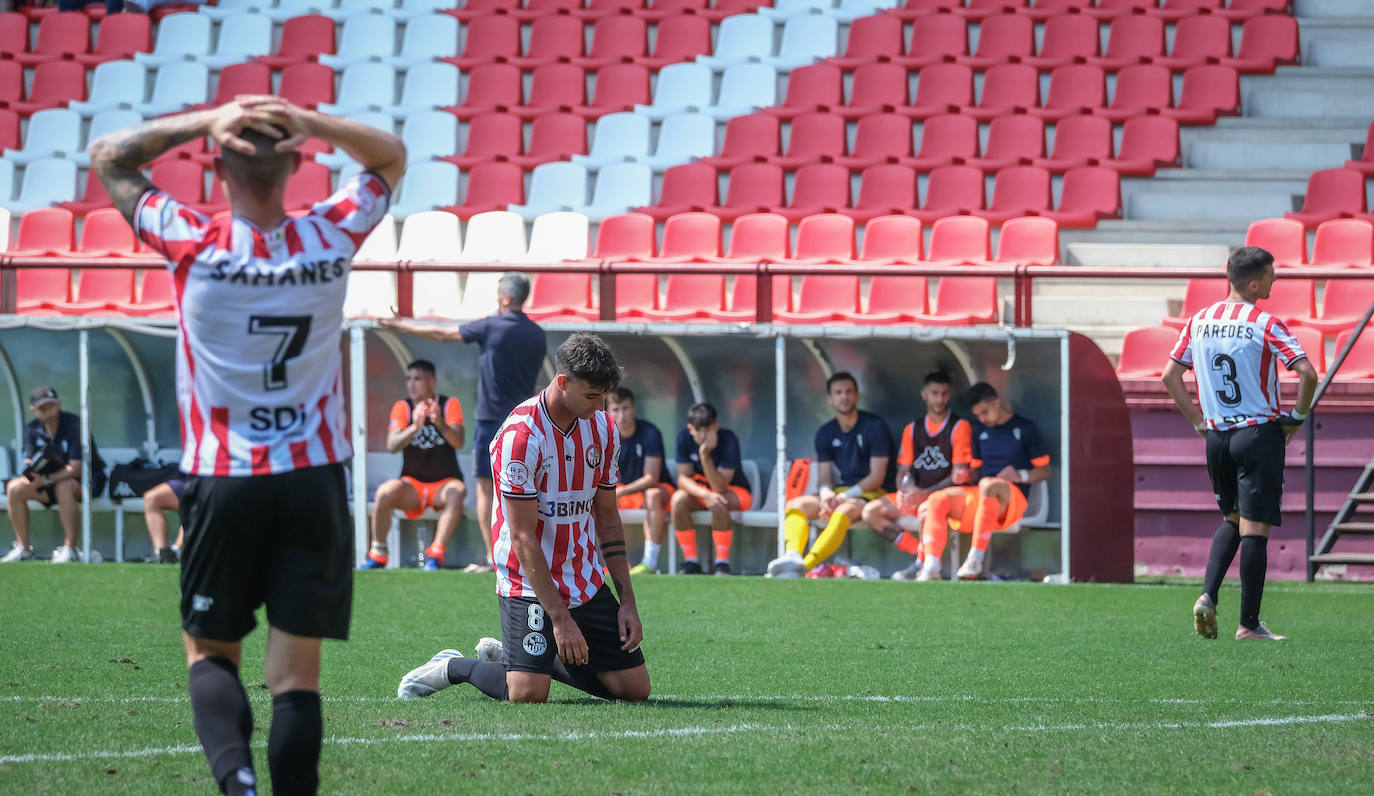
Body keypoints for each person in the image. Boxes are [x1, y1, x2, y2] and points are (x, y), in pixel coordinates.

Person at [90, 95, 403, 794]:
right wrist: (315, 121)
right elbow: (390, 158)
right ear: (295, 161)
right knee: (296, 677)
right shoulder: (330, 237)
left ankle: (238, 784)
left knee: (210, 654)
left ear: (218, 163)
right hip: (314, 479)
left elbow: (109, 155)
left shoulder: (192, 240)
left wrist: (206, 119)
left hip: (225, 477)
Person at [397, 333, 648, 704]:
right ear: (562, 382)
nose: (600, 407)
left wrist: (628, 600)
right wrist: (561, 621)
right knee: (528, 694)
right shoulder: (521, 436)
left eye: (604, 397)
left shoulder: (604, 429)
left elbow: (608, 518)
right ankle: (453, 666)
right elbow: (523, 536)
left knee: (635, 691)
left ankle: (523, 660)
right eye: (592, 396)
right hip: (526, 578)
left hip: (584, 578)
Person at [1162, 246, 1316, 642]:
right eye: (1270, 274)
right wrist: (1296, 418)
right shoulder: (1265, 322)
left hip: (1217, 437)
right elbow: (1307, 372)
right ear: (1252, 282)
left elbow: (1169, 375)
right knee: (1256, 529)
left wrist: (1198, 421)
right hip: (1258, 433)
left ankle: (1207, 595)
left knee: (1231, 518)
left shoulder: (1199, 320)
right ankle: (1248, 624)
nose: (1275, 280)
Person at [380, 273, 546, 573]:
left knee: (487, 490)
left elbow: (443, 335)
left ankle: (494, 559)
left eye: (498, 294)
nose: (497, 300)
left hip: (492, 421)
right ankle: (524, 557)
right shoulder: (537, 333)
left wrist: (400, 324)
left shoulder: (492, 326)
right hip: (526, 421)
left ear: (506, 298)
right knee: (524, 489)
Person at [914, 382, 1051, 582]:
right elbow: (976, 473)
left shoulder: (1025, 428)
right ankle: (931, 567)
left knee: (989, 484)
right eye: (978, 415)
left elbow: (1045, 471)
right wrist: (964, 475)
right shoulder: (979, 430)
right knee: (936, 500)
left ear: (997, 402)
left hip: (1013, 498)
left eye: (985, 412)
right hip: (983, 496)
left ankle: (974, 560)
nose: (982, 418)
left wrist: (1020, 475)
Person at [766, 372, 894, 579]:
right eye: (838, 392)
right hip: (840, 492)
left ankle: (804, 567)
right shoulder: (825, 432)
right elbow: (824, 476)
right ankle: (792, 556)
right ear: (830, 399)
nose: (844, 397)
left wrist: (842, 497)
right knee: (795, 505)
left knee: (841, 511)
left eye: (849, 392)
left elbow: (877, 477)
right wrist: (826, 495)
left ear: (857, 396)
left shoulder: (875, 427)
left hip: (873, 494)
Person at [861, 371, 974, 580]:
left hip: (943, 496)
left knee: (926, 509)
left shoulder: (959, 426)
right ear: (924, 394)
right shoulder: (913, 429)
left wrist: (924, 494)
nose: (939, 399)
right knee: (870, 512)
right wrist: (907, 489)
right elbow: (903, 471)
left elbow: (959, 475)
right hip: (918, 493)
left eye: (944, 394)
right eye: (934, 393)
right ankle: (919, 553)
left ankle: (923, 563)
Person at [360, 359, 467, 572]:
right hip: (413, 485)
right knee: (384, 493)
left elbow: (459, 442)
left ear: (432, 381)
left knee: (458, 490)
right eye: (408, 379)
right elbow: (392, 445)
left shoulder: (448, 404)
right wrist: (414, 426)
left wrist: (440, 423)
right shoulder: (403, 407)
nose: (411, 384)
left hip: (443, 484)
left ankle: (435, 555)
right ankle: (378, 553)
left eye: (417, 379)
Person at [2, 385, 104, 564]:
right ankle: (24, 549)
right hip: (49, 482)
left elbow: (76, 469)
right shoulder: (32, 430)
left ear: (59, 404)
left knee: (64, 487)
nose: (50, 412)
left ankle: (70, 549)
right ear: (33, 410)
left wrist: (46, 479)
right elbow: (31, 462)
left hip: (87, 481)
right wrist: (32, 475)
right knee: (14, 488)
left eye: (52, 405)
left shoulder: (75, 425)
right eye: (43, 408)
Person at [669, 402, 752, 576]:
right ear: (691, 429)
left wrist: (705, 455)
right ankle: (691, 562)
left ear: (716, 426)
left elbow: (720, 486)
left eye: (708, 429)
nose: (704, 435)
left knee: (718, 500)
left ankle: (722, 563)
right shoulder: (683, 438)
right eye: (699, 430)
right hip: (703, 492)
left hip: (734, 492)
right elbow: (683, 479)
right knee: (678, 499)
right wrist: (705, 494)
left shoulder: (729, 439)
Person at [606, 388, 674, 575]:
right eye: (616, 409)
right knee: (599, 499)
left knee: (652, 495)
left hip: (659, 489)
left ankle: (649, 563)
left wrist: (620, 492)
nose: (621, 415)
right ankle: (610, 562)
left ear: (634, 409)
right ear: (608, 412)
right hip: (625, 491)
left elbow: (651, 479)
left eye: (625, 408)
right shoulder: (605, 434)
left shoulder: (650, 432)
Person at [142, 475, 185, 564]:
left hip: (209, 478)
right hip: (186, 477)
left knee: (196, 501)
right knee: (151, 498)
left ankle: (177, 552)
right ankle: (161, 554)